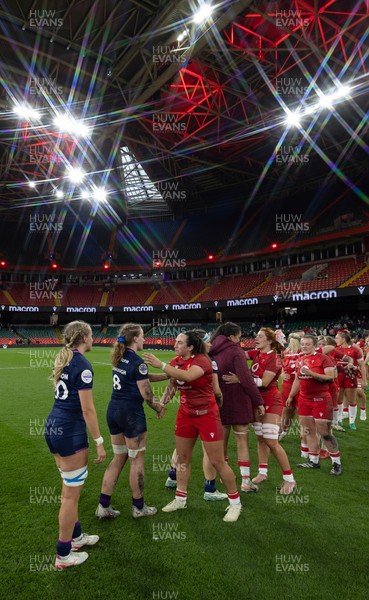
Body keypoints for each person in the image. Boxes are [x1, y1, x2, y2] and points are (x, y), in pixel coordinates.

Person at [144, 331, 242, 522]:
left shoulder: (202, 361)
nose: (175, 345)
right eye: (175, 342)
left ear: (190, 347)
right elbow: (172, 382)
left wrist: (161, 364)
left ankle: (235, 503)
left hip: (207, 416)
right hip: (185, 415)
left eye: (179, 343)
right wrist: (163, 403)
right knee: (182, 458)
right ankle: (180, 498)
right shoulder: (176, 361)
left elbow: (187, 377)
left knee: (217, 461)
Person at [44, 321, 106, 570]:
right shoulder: (82, 364)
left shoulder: (66, 359)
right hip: (70, 431)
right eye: (91, 335)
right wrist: (100, 442)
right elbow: (88, 409)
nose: (93, 339)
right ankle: (63, 555)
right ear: (83, 337)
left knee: (70, 490)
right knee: (70, 497)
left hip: (53, 426)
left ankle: (76, 538)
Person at [95, 324, 164, 520]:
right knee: (137, 460)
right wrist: (158, 407)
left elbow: (141, 377)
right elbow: (147, 394)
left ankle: (103, 506)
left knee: (118, 458)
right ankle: (139, 508)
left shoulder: (120, 356)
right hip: (131, 415)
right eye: (142, 337)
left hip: (114, 411)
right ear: (135, 339)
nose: (144, 340)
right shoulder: (137, 361)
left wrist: (167, 375)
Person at [165, 329, 228, 501]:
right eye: (207, 341)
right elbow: (214, 388)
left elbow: (173, 379)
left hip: (189, 411)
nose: (210, 344)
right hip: (202, 411)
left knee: (182, 450)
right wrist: (220, 399)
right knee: (207, 450)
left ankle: (172, 476)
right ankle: (210, 488)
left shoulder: (192, 361)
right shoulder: (207, 361)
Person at [238, 328, 297, 494]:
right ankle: (263, 472)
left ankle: (290, 479)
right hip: (256, 401)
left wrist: (241, 379)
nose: (256, 338)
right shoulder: (256, 353)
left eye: (260, 336)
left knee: (271, 441)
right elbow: (238, 355)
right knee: (261, 438)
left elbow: (264, 382)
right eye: (256, 335)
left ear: (270, 341)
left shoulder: (275, 358)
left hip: (271, 400)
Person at [209, 322, 265, 492]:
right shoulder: (235, 351)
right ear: (232, 336)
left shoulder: (211, 350)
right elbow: (247, 379)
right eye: (239, 337)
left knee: (221, 442)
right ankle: (246, 481)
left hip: (220, 400)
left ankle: (223, 476)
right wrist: (259, 401)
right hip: (238, 401)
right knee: (242, 441)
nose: (239, 340)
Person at [287, 334, 342, 475]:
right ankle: (313, 461)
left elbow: (330, 378)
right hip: (304, 400)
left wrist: (311, 373)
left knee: (325, 433)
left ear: (315, 346)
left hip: (321, 400)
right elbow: (297, 380)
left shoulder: (324, 358)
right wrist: (291, 395)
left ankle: (336, 463)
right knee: (309, 431)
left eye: (308, 344)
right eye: (303, 344)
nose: (304, 346)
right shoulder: (299, 360)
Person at [335, 331, 367, 430]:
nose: (336, 340)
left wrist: (364, 380)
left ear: (343, 339)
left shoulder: (355, 350)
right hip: (339, 377)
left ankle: (352, 422)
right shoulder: (336, 349)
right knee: (338, 400)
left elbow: (362, 365)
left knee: (351, 400)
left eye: (337, 338)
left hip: (351, 377)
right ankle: (339, 419)